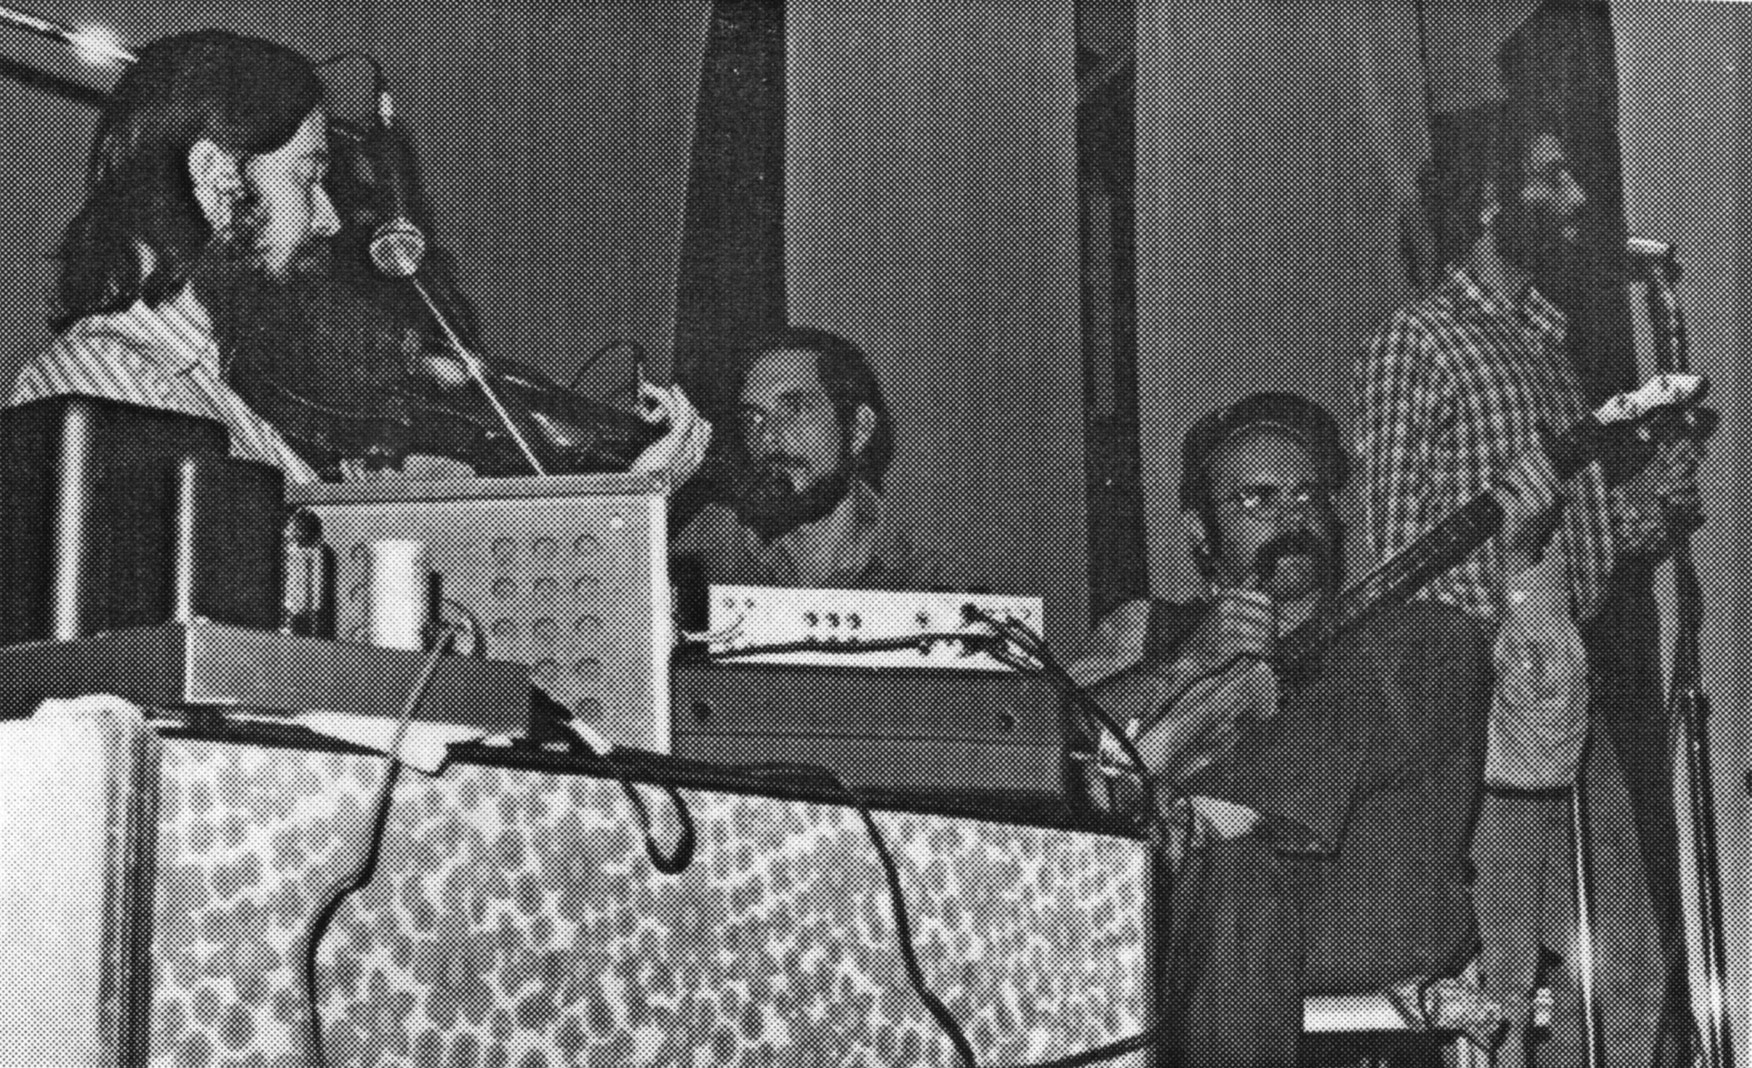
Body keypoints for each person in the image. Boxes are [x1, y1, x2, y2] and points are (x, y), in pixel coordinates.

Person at [1072, 392, 1570, 1066]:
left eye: (1309, 496)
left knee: (1440, 633)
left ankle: (1215, 811)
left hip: (1362, 923)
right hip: (1213, 922)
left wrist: (1526, 566)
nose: (1293, 517)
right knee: (1235, 870)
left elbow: (1542, 757)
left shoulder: (1404, 649)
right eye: (1258, 500)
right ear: (1197, 530)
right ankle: (1222, 824)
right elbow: (1050, 747)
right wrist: (1189, 663)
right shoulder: (1148, 631)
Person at [1359, 101, 1700, 1066]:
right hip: (1484, 723)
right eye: (1549, 177)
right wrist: (1508, 597)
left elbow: (1566, 554)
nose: (1576, 197)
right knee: (1499, 985)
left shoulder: (1548, 349)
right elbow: (1392, 564)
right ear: (1484, 202)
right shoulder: (1417, 341)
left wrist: (1632, 514)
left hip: (1565, 700)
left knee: (1626, 974)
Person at [7, 30, 708, 486]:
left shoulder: (205, 387)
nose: (328, 216)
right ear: (218, 175)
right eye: (308, 178)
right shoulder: (108, 382)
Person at [672, 326, 943, 588]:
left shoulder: (927, 576)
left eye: (793, 408)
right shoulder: (715, 543)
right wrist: (652, 484)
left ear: (859, 428)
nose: (766, 437)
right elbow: (634, 615)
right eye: (752, 418)